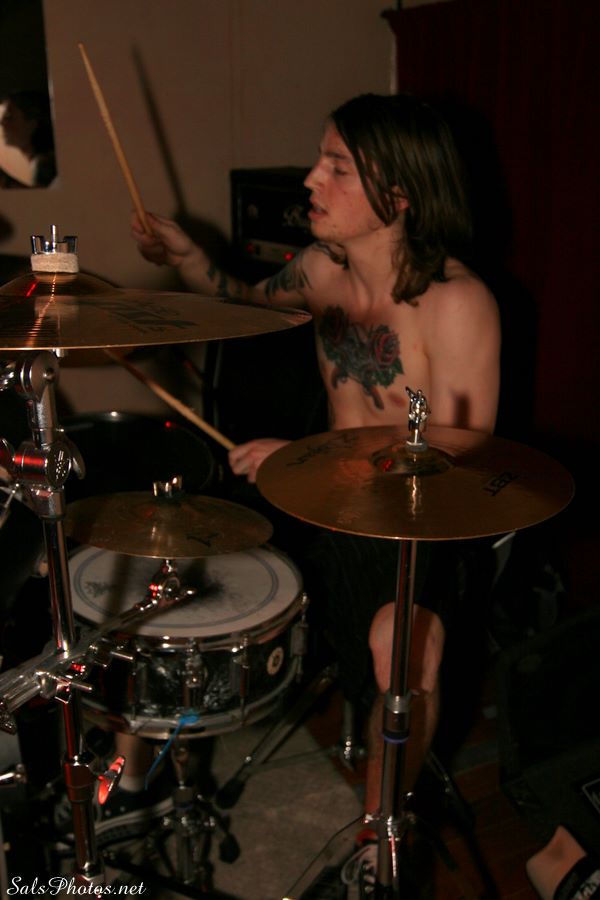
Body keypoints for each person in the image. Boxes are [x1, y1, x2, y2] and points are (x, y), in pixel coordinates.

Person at [129, 92, 500, 894]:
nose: (310, 179)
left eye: (336, 167)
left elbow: (461, 465)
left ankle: (377, 837)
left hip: (417, 524)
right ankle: (129, 777)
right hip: (322, 499)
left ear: (398, 194)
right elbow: (239, 294)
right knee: (167, 551)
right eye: (319, 160)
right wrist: (187, 256)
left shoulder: (457, 303)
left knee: (400, 653)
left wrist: (311, 458)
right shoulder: (322, 270)